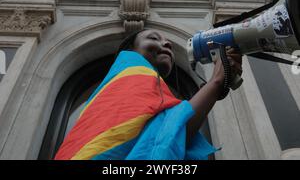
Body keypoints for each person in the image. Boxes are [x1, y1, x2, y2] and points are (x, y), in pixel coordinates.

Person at [54, 29, 242, 161]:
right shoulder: (130, 73)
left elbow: (165, 136)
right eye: (154, 38)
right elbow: (167, 137)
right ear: (130, 51)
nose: (166, 43)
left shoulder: (139, 86)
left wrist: (215, 85)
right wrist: (217, 81)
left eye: (166, 41)